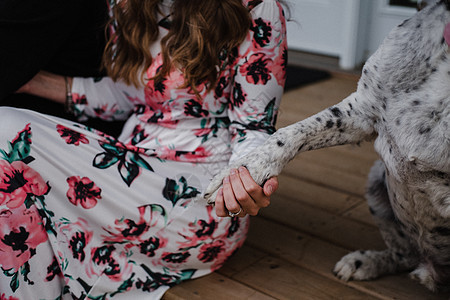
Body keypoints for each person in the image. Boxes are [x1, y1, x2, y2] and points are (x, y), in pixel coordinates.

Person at [0, 0, 287, 298]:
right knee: (18, 210)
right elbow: (133, 94)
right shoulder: (129, 4)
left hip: (202, 199)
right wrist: (33, 82)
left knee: (6, 130)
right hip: (129, 175)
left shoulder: (255, 6)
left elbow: (254, 126)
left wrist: (245, 176)